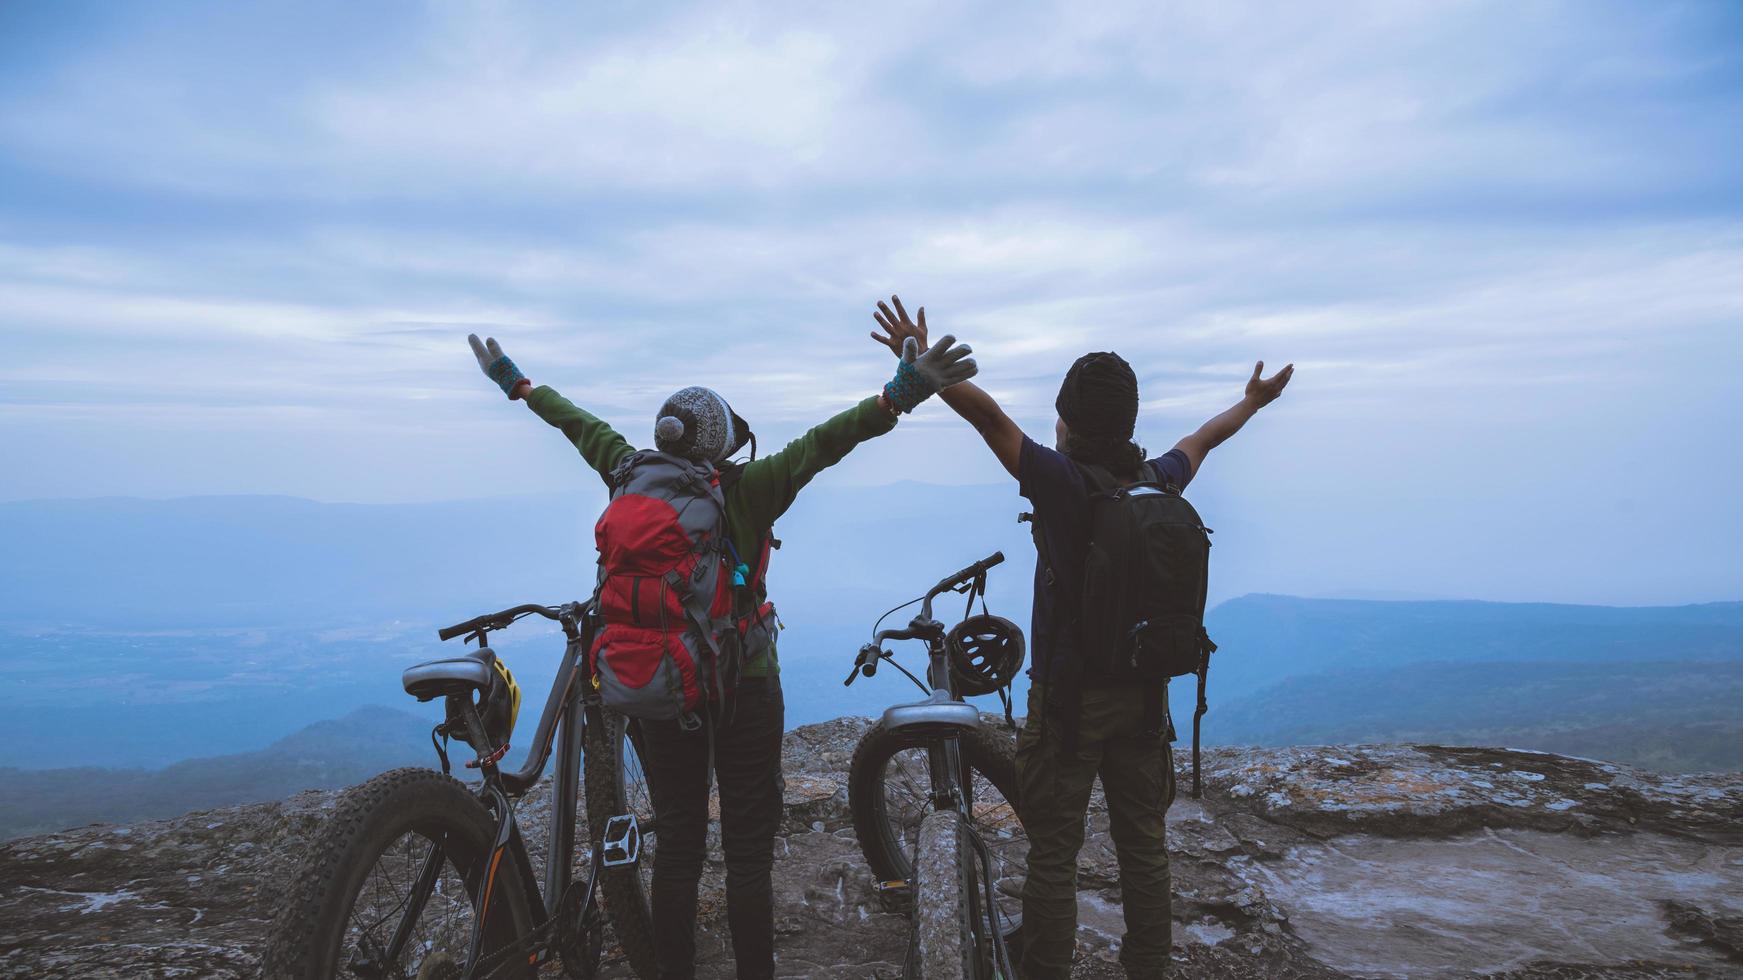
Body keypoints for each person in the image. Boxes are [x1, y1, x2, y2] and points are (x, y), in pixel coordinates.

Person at [466, 326, 976, 980]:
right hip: (745, 684)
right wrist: (901, 394)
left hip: (658, 684)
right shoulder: (747, 489)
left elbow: (576, 422)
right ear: (721, 442)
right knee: (746, 856)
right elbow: (826, 442)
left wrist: (517, 383)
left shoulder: (624, 471)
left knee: (678, 845)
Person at [868, 296, 1292, 980]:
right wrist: (1253, 402)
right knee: (1143, 848)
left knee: (1054, 856)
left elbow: (989, 418)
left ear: (1066, 423)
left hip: (1069, 704)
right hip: (1144, 699)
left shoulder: (1060, 483)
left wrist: (924, 369)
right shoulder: (1155, 479)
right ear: (1126, 422)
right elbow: (1205, 438)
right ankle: (1147, 969)